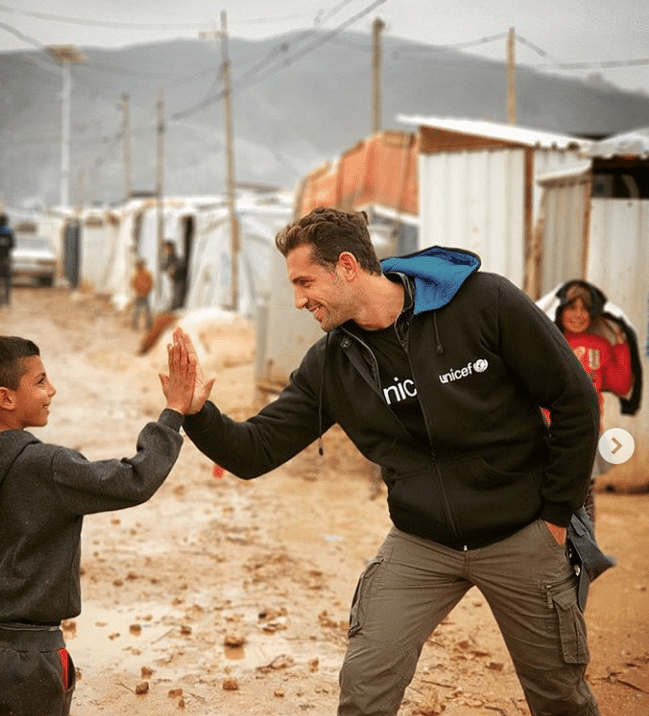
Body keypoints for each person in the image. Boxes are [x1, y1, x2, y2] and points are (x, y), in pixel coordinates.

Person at [177, 207, 603, 716]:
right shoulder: (332, 363)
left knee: (560, 698)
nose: (298, 301)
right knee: (364, 688)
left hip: (521, 530)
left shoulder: (484, 302)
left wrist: (555, 516)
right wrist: (197, 414)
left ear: (347, 266)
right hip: (422, 542)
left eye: (305, 282)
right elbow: (255, 450)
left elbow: (575, 399)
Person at [0, 331, 196, 716]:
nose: (52, 390)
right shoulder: (47, 466)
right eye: (40, 381)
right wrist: (173, 411)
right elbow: (134, 480)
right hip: (30, 659)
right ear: (5, 398)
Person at [545, 279, 640, 523]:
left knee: (586, 492)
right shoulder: (550, 341)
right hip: (550, 431)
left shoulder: (600, 345)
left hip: (588, 430)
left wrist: (620, 346)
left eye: (585, 309)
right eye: (571, 307)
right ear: (560, 310)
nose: (578, 315)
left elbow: (620, 385)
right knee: (552, 491)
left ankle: (586, 543)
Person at [130, 256, 154, 330]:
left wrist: (147, 291)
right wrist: (139, 291)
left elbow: (151, 283)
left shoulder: (142, 273)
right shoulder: (138, 273)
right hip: (141, 294)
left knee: (143, 311)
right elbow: (132, 284)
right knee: (141, 310)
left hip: (143, 294)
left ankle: (145, 326)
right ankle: (136, 325)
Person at [163, 241, 186, 310]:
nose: (166, 251)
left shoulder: (175, 257)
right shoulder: (168, 258)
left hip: (178, 279)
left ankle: (176, 308)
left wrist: (174, 269)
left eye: (168, 249)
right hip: (173, 280)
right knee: (173, 295)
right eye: (165, 249)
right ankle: (173, 307)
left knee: (177, 296)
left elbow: (182, 266)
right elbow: (164, 267)